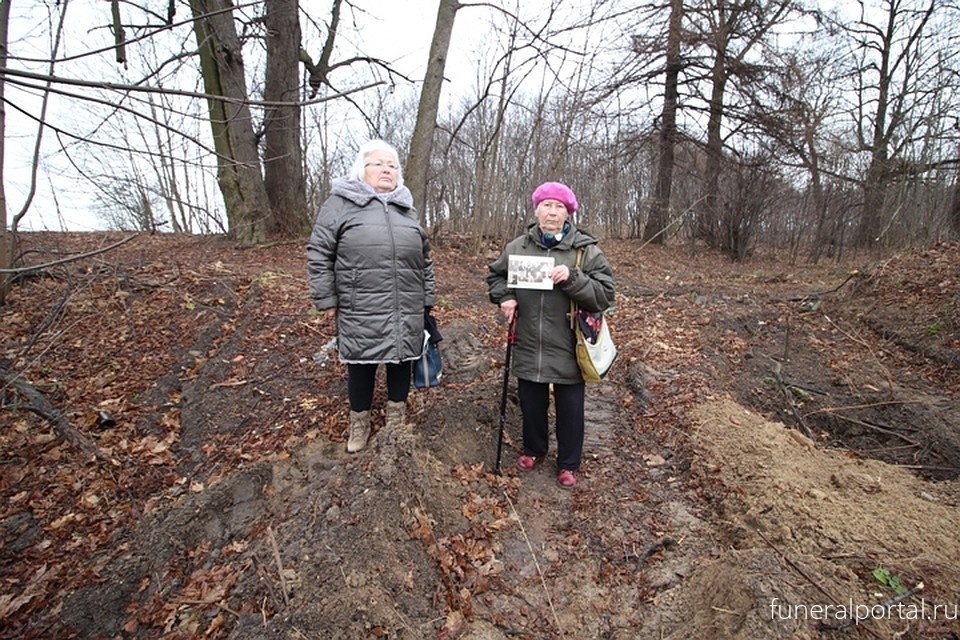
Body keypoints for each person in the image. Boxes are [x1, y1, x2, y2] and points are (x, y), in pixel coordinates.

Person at [307, 139, 436, 453]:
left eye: (392, 165)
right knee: (361, 363)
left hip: (405, 301)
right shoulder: (339, 204)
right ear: (361, 170)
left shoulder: (407, 207)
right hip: (359, 303)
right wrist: (327, 299)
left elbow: (425, 258)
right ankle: (359, 423)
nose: (386, 170)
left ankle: (395, 421)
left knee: (401, 360)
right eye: (378, 163)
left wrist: (427, 298)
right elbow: (319, 253)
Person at [486, 182, 615, 488]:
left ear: (569, 212)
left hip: (570, 343)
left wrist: (573, 278)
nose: (552, 212)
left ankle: (569, 463)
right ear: (536, 210)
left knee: (570, 409)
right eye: (547, 205)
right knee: (531, 402)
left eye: (559, 207)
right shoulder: (517, 247)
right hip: (528, 340)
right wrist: (505, 297)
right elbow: (495, 276)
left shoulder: (584, 250)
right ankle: (534, 449)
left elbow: (605, 294)